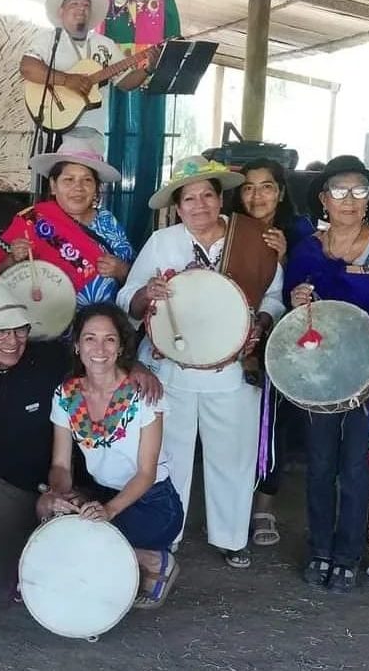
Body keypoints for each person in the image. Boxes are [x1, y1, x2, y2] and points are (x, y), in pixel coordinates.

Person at [0, 283, 163, 602]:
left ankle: (135, 557)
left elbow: (98, 360)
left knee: (2, 591)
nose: (12, 342)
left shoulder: (50, 359)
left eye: (19, 331)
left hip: (14, 484)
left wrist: (137, 368)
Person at [118, 155, 285, 569]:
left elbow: (275, 297)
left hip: (231, 368)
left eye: (206, 196)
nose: (199, 206)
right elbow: (127, 298)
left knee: (232, 454)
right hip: (170, 369)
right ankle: (166, 533)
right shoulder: (162, 243)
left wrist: (258, 325)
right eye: (188, 199)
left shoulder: (253, 238)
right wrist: (146, 294)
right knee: (167, 455)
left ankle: (231, 537)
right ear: (178, 207)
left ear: (220, 199)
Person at [283, 155, 369, 593]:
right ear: (324, 199)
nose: (349, 200)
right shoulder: (305, 249)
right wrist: (297, 299)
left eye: (359, 191)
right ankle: (320, 547)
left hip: (368, 374)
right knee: (319, 464)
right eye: (339, 191)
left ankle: (348, 554)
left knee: (356, 466)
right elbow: (293, 318)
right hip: (319, 375)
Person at [41, 303, 181, 609]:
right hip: (102, 494)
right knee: (49, 515)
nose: (99, 348)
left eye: (109, 339)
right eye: (90, 338)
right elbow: (61, 464)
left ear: (120, 348)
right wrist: (59, 495)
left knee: (83, 542)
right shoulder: (65, 394)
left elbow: (146, 472)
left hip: (153, 503)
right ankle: (126, 559)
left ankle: (154, 560)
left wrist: (109, 512)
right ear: (77, 346)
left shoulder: (145, 395)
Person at [228, 157, 316, 547]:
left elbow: (307, 292)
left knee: (272, 427)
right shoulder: (228, 230)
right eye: (248, 187)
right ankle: (230, 505)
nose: (257, 195)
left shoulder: (301, 233)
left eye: (266, 186)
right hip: (231, 341)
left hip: (280, 341)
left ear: (280, 192)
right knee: (232, 427)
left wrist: (283, 259)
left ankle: (263, 508)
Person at [0, 134, 135, 307]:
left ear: (96, 188)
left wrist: (121, 270)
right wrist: (13, 260)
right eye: (68, 180)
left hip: (100, 329)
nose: (78, 188)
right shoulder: (32, 220)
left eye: (87, 180)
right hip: (44, 326)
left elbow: (136, 282)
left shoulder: (108, 223)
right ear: (54, 186)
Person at [20, 0, 148, 145]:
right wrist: (66, 80)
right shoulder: (48, 40)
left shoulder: (105, 44)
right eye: (74, 4)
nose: (81, 8)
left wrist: (148, 69)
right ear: (61, 11)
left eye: (86, 5)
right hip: (49, 127)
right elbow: (27, 67)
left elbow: (125, 82)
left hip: (91, 131)